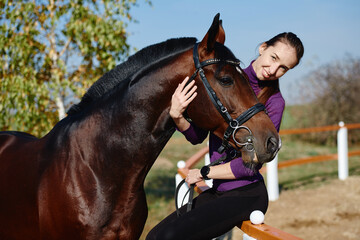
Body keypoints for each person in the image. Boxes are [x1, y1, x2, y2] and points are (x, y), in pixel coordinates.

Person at [146, 32, 304, 240]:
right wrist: (177, 115)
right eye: (274, 58)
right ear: (263, 48)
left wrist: (205, 172)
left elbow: (250, 165)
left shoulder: (274, 103)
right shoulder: (225, 79)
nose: (274, 70)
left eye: (284, 67)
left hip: (246, 193)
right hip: (219, 191)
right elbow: (197, 135)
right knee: (154, 236)